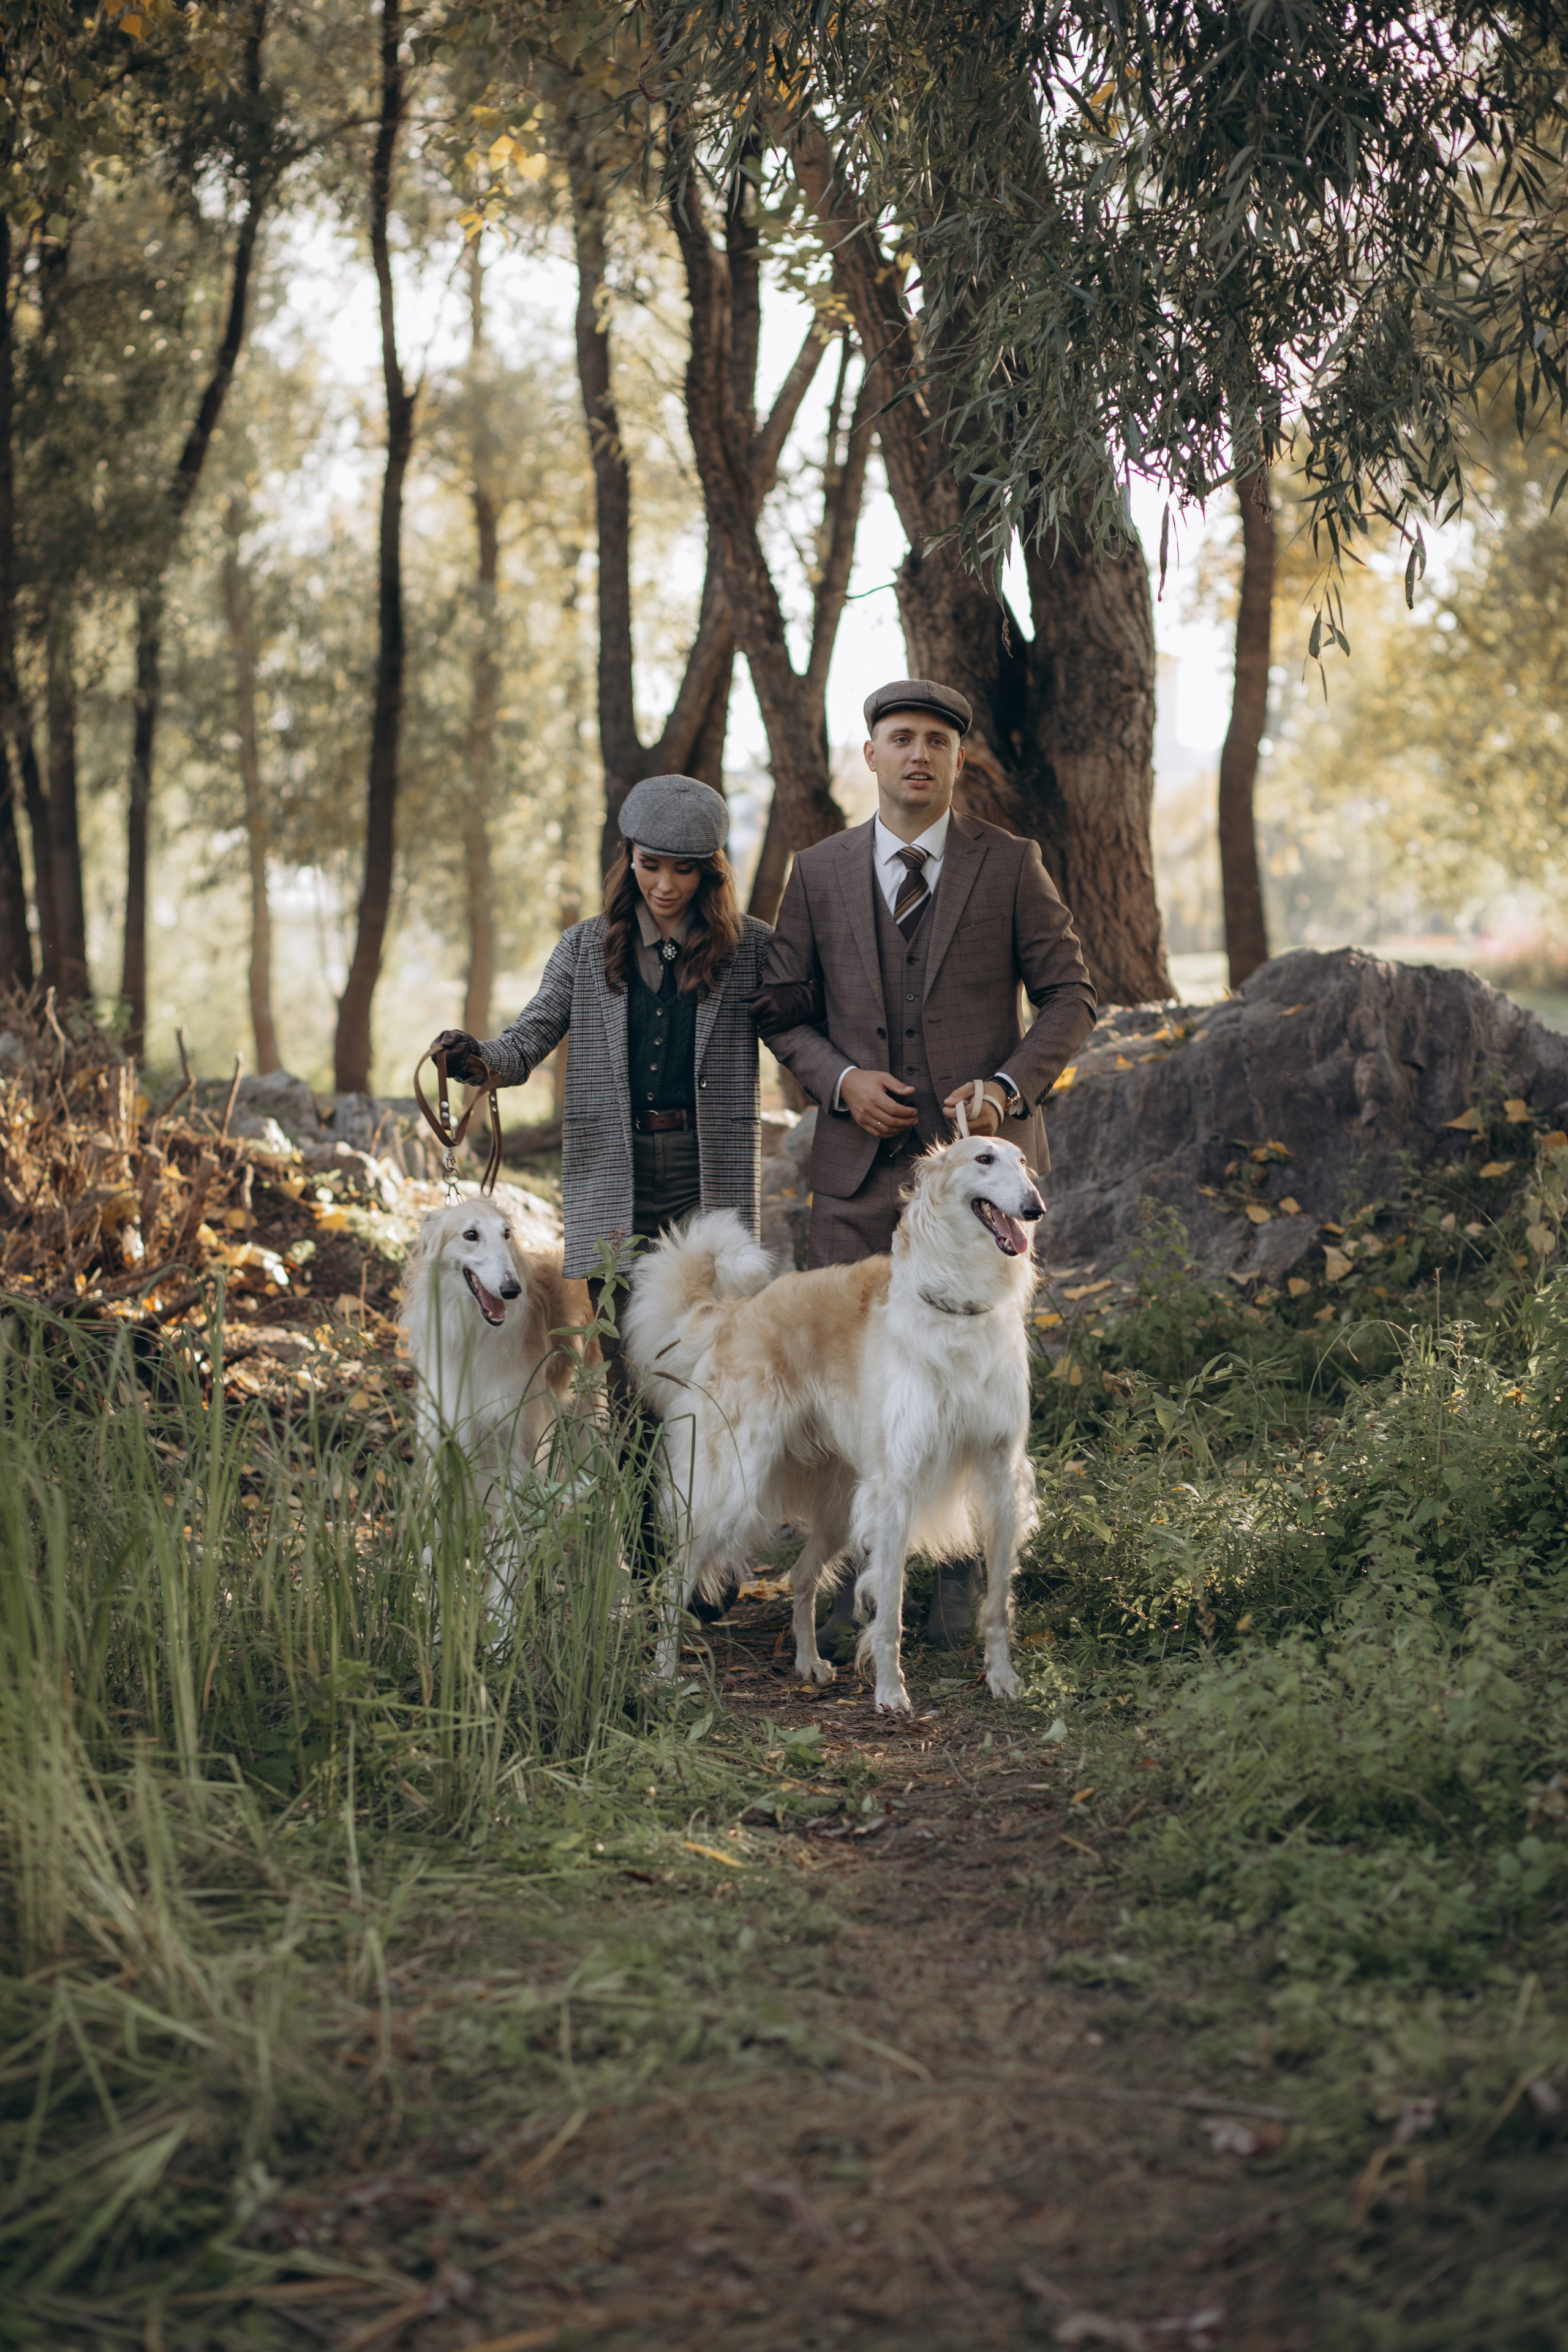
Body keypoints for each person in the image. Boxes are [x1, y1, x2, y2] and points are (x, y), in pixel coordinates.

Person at [755, 677, 1098, 1651]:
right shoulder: (817, 872)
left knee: (973, 1383)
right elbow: (782, 1010)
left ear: (958, 761)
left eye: (937, 743)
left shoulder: (1011, 864)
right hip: (857, 1181)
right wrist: (842, 1081)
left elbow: (1071, 996)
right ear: (870, 755)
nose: (918, 755)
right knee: (862, 1385)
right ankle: (858, 1576)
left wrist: (1007, 1083)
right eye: (899, 738)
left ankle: (959, 1587)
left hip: (981, 1198)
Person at [428, 773, 772, 1388]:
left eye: (684, 870)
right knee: (626, 1365)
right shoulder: (585, 947)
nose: (665, 885)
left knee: (715, 1363)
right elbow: (529, 1037)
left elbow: (803, 1042)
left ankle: (702, 1488)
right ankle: (635, 1490)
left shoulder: (752, 950)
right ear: (628, 859)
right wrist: (477, 1059)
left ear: (711, 873)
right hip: (614, 1173)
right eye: (650, 865)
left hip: (708, 1171)